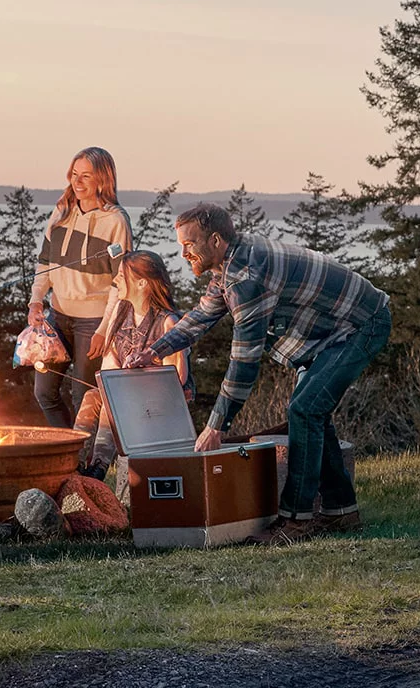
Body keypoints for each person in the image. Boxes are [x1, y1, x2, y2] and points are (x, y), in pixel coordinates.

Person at [129, 203, 391, 547]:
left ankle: (296, 520)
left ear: (216, 240)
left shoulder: (247, 280)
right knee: (312, 411)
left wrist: (215, 427)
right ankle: (341, 511)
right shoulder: (228, 266)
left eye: (189, 245)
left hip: (361, 325)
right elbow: (201, 316)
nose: (182, 254)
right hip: (329, 333)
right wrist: (156, 350)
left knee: (305, 409)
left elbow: (243, 363)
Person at [30, 146, 133, 429]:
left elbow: (120, 282)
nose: (77, 182)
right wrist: (36, 302)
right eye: (74, 174)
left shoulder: (115, 221)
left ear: (103, 179)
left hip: (93, 321)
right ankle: (66, 451)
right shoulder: (61, 212)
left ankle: (84, 465)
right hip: (57, 316)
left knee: (83, 396)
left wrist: (104, 329)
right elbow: (45, 263)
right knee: (44, 391)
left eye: (86, 176)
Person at [71, 249, 191, 478]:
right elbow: (109, 363)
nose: (115, 281)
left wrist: (130, 382)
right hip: (126, 392)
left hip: (157, 400)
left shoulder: (168, 321)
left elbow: (178, 379)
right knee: (95, 397)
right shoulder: (120, 311)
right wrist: (119, 383)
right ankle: (74, 462)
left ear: (142, 283)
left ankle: (99, 467)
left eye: (121, 275)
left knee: (110, 401)